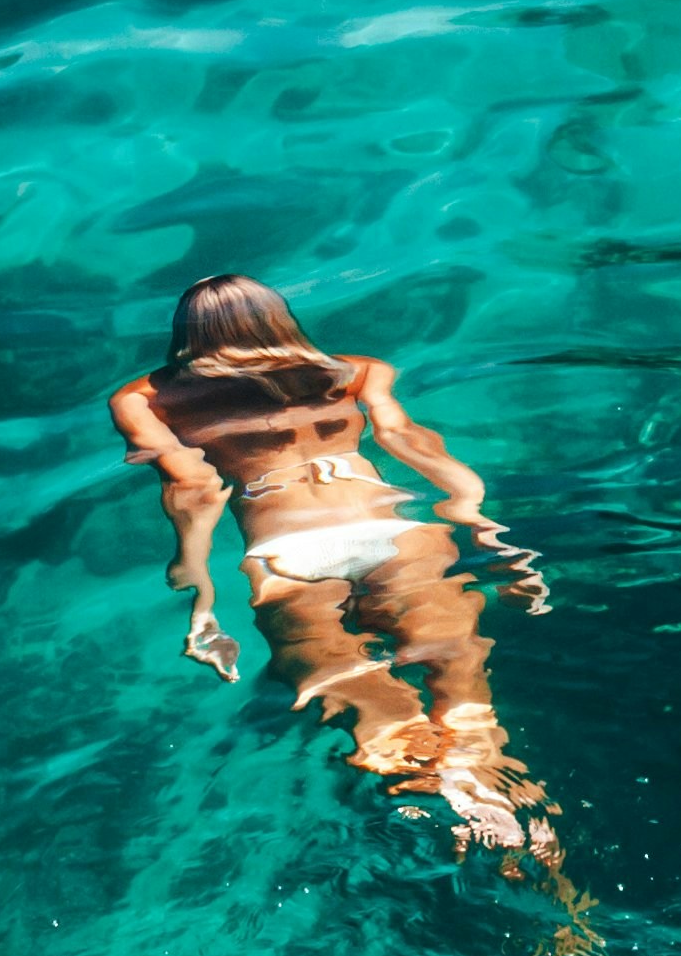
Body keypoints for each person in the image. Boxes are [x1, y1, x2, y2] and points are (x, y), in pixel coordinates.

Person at [109, 274, 552, 856]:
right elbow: (412, 442)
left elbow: (192, 491)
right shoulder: (361, 371)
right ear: (279, 318)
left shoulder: (142, 399)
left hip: (288, 554)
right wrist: (490, 533)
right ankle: (506, 810)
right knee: (462, 682)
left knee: (364, 702)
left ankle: (444, 800)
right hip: (396, 532)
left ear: (187, 332)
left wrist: (201, 599)